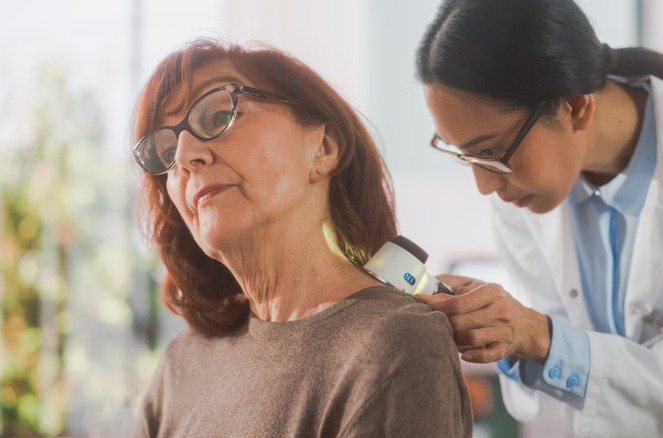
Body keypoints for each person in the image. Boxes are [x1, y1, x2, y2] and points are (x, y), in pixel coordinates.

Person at [414, 0, 663, 436]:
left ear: (575, 107)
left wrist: (536, 334)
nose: (485, 186)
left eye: (490, 153)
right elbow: (561, 375)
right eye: (465, 155)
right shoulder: (523, 191)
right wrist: (502, 332)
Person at [131, 38, 472, 437]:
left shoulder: (396, 345)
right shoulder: (180, 366)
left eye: (219, 114)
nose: (186, 156)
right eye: (166, 151)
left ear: (323, 149)